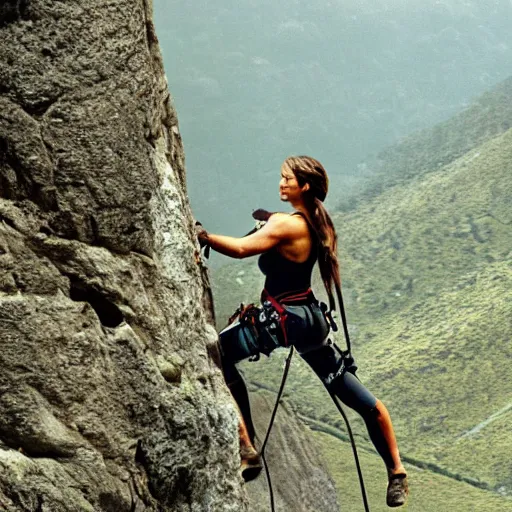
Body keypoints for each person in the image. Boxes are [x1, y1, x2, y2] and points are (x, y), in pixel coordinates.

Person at [195, 156, 409, 508]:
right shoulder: (318, 224)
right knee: (355, 396)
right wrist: (269, 223)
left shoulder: (288, 225)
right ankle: (397, 472)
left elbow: (241, 249)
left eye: (286, 179)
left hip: (281, 321)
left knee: (217, 353)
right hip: (310, 320)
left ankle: (246, 447)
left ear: (304, 186)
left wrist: (203, 236)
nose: (280, 183)